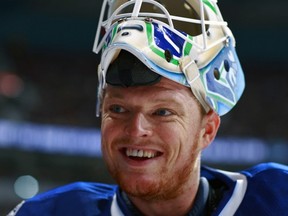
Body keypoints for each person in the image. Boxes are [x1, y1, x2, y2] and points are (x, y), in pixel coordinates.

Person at [9, 0, 288, 215]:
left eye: (162, 112)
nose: (136, 130)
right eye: (118, 109)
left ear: (208, 129)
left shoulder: (277, 198)